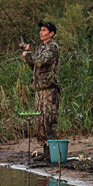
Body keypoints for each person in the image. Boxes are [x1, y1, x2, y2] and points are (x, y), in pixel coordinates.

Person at [21, 21, 60, 159]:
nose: (41, 32)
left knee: (49, 119)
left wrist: (29, 54)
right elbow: (35, 67)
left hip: (49, 89)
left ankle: (54, 154)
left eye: (44, 30)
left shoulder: (52, 47)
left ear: (51, 33)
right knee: (40, 121)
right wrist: (27, 56)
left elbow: (41, 61)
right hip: (39, 90)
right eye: (41, 30)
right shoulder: (39, 48)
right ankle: (45, 152)